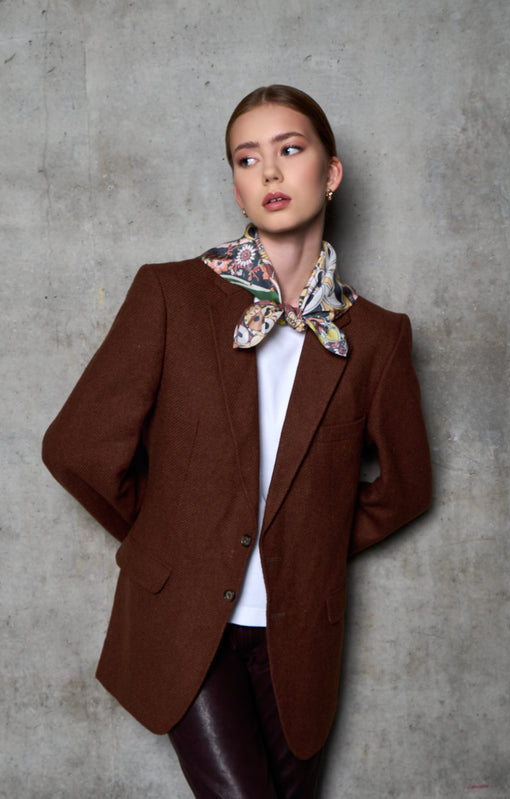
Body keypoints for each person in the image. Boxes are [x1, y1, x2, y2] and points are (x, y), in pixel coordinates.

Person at [42, 85, 432, 798]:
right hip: (190, 624)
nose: (271, 173)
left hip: (300, 639)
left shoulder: (375, 336)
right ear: (236, 187)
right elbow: (76, 448)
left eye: (289, 150)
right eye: (247, 159)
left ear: (331, 172)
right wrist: (177, 539)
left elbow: (406, 487)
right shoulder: (169, 295)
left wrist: (305, 538)